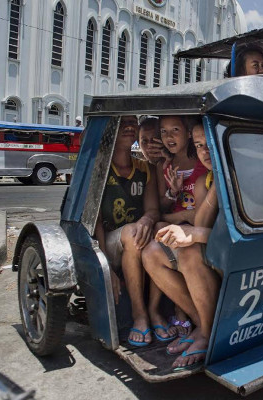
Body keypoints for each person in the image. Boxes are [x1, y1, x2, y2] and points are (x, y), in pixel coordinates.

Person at [143, 122, 220, 371]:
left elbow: (221, 231)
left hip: (237, 253)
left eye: (210, 145)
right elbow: (199, 222)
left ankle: (208, 333)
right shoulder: (203, 182)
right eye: (199, 146)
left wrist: (193, 234)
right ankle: (201, 324)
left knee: (188, 250)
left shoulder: (232, 176)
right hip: (215, 248)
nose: (205, 152)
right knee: (151, 253)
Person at [94, 115, 160, 347]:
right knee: (132, 234)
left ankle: (161, 314)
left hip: (137, 237)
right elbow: (97, 222)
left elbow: (152, 210)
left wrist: (146, 220)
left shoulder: (145, 168)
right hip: (110, 243)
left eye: (132, 122)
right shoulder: (100, 167)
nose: (130, 126)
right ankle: (139, 315)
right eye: (123, 122)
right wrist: (105, 268)